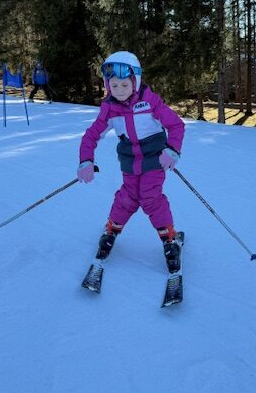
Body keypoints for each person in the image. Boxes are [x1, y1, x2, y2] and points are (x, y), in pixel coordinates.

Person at [77, 50, 185, 273]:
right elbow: (91, 135)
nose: (119, 90)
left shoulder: (150, 102)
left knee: (150, 197)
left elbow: (176, 125)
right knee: (127, 197)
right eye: (114, 85)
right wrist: (86, 160)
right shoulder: (109, 109)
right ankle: (111, 229)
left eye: (124, 85)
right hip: (129, 161)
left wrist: (172, 150)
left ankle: (169, 237)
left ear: (135, 82)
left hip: (155, 159)